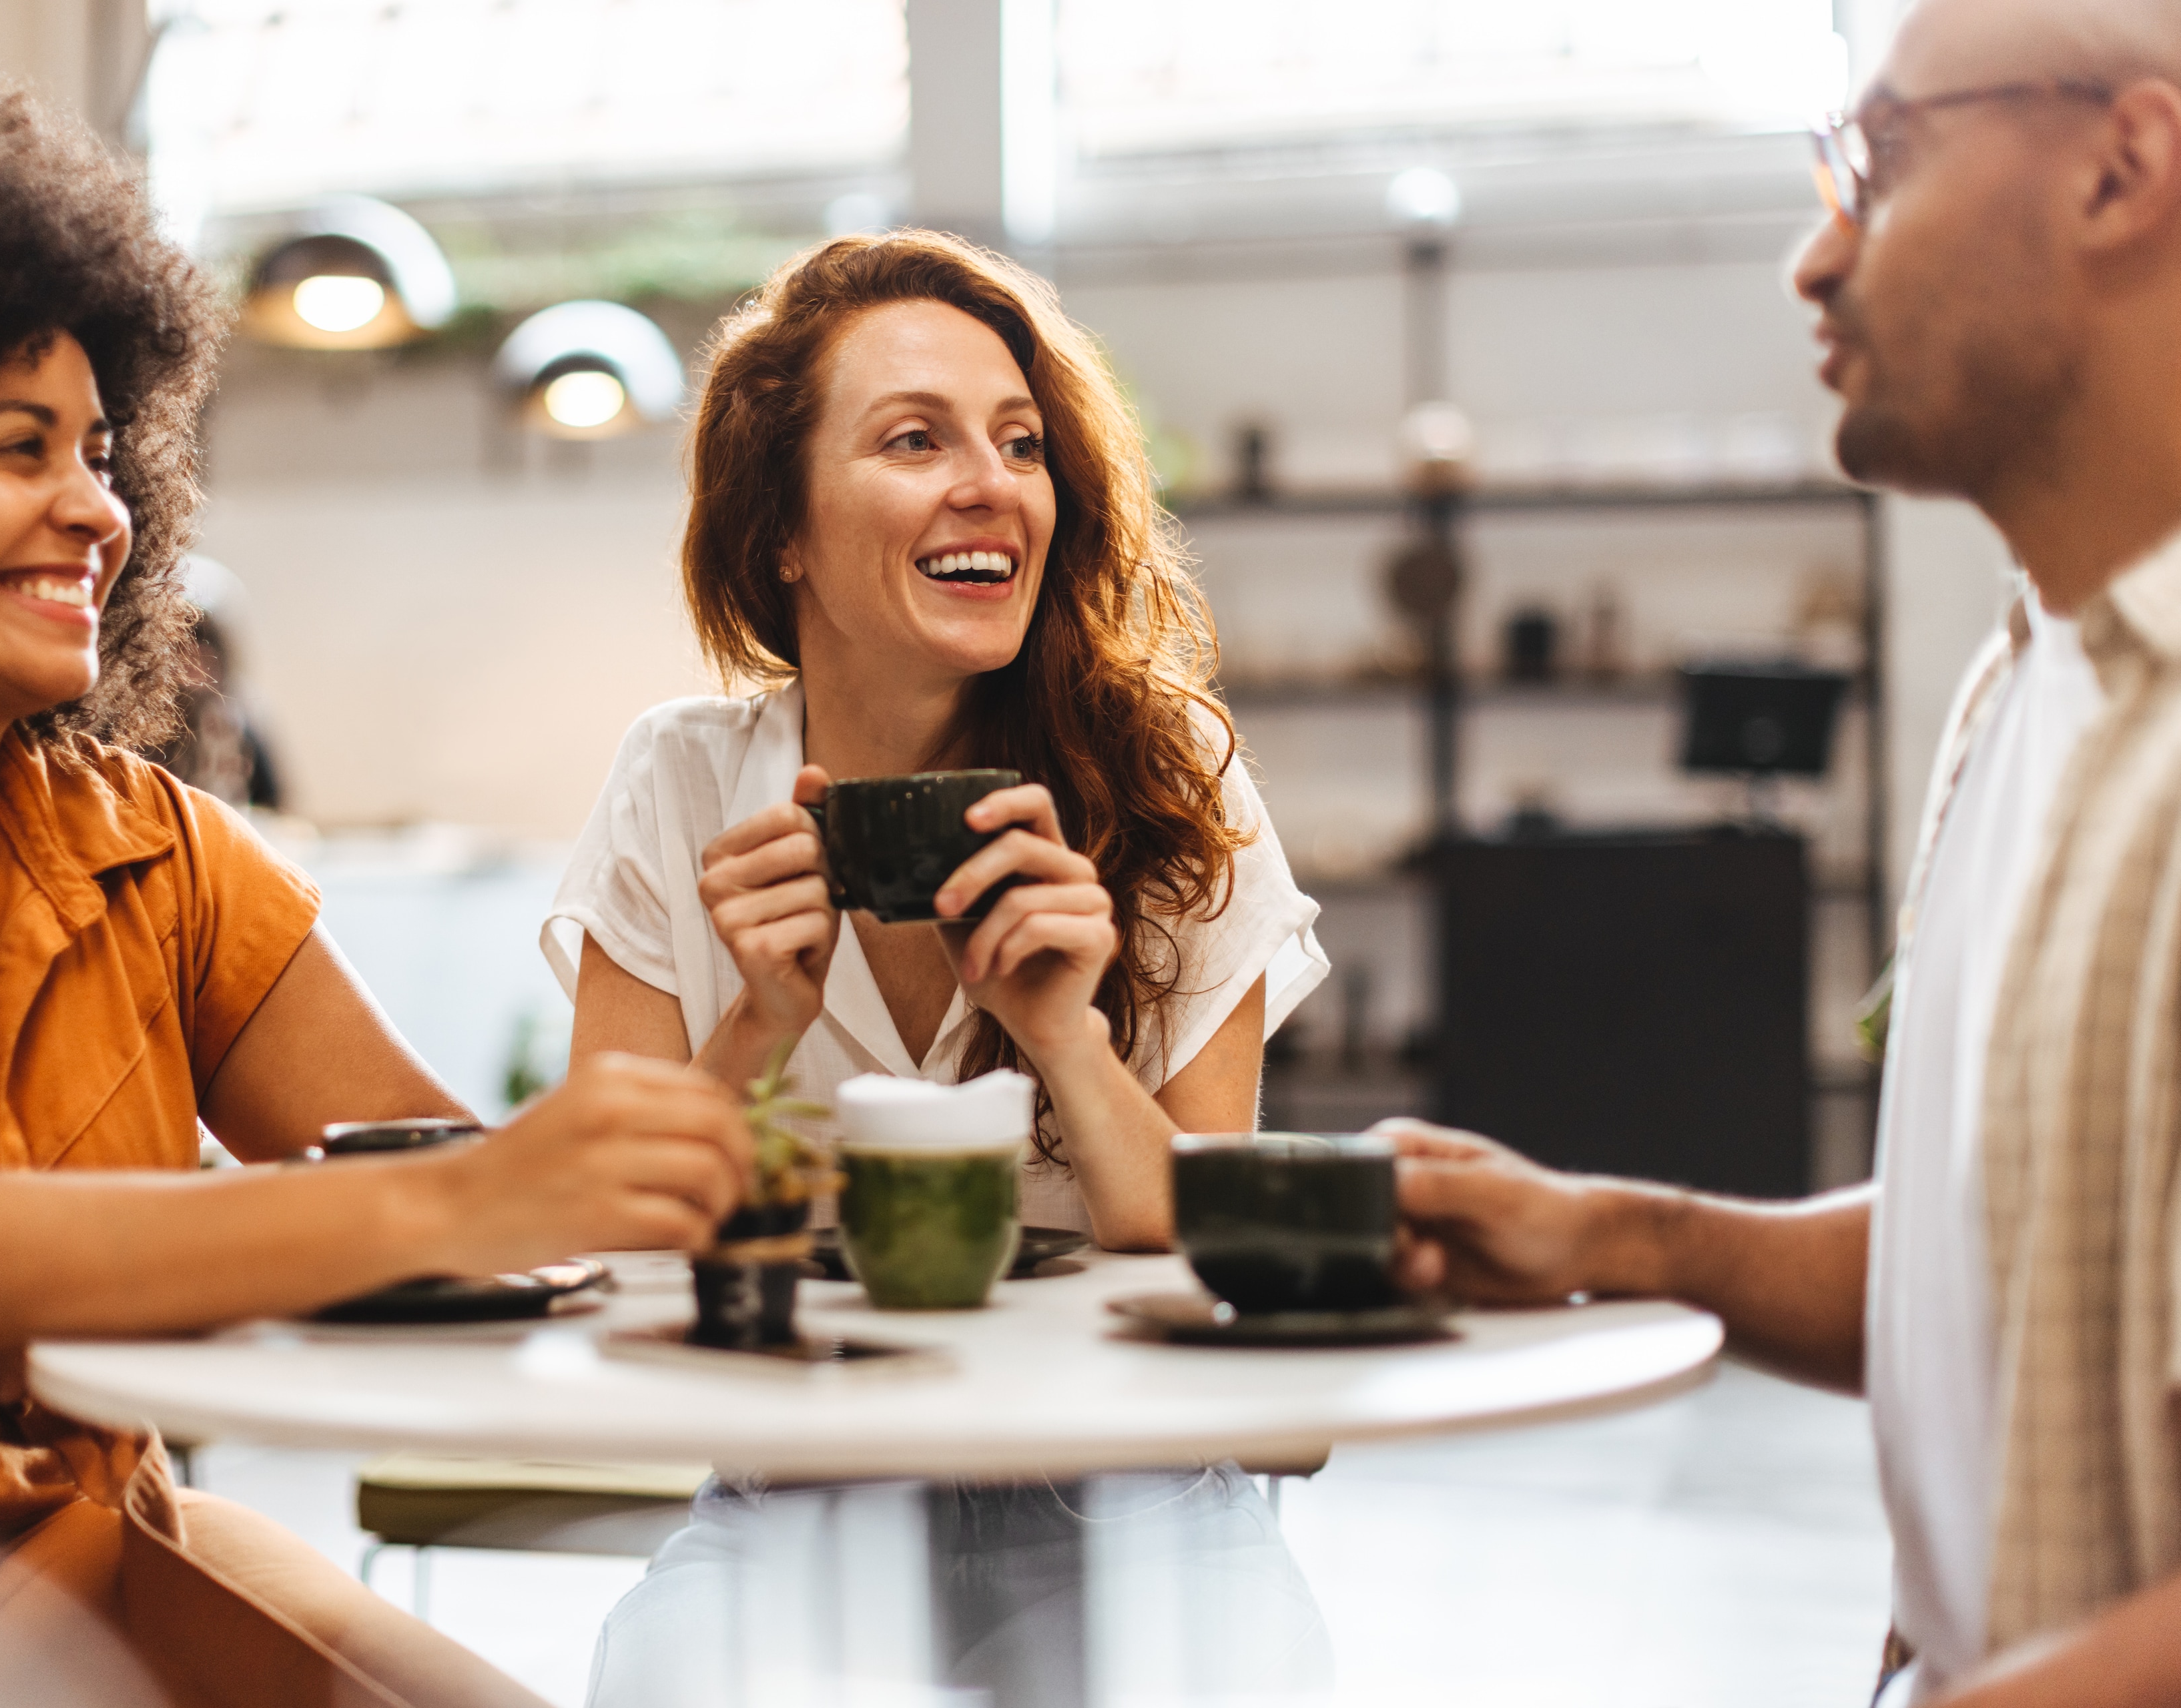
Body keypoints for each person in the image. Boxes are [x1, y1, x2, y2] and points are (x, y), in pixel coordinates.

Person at [0, 53, 752, 1707]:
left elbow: (492, 1221)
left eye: (101, 449)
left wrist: (32, 1271)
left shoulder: (156, 849)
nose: (102, 512)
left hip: (86, 1523)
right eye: (22, 449)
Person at [1384, 1, 2181, 1702]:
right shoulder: (2022, 684)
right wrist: (1614, 1228)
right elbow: (2018, 1254)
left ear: (2123, 168)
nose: (1816, 262)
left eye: (1880, 163)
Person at [547, 230, 1329, 1250]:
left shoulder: (1172, 781)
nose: (995, 487)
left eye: (1022, 444)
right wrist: (761, 1024)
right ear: (779, 528)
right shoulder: (678, 783)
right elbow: (605, 1230)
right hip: (782, 1400)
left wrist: (1066, 1041)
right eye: (915, 440)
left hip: (1086, 1409)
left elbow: (1216, 1243)